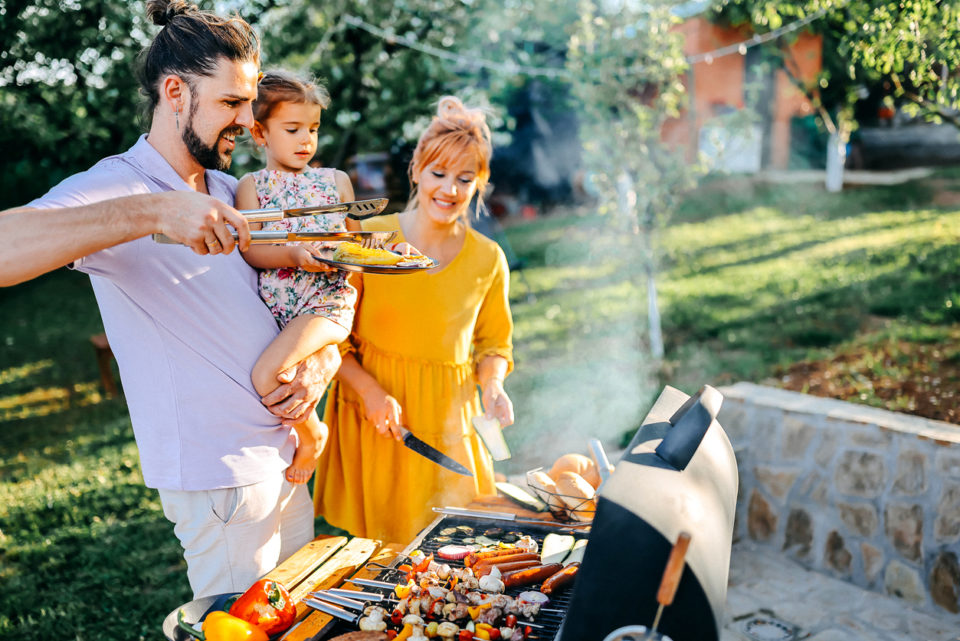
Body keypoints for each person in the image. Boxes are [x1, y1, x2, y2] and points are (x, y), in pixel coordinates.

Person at [0, 0, 341, 599]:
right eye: (232, 103)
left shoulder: (235, 187)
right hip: (221, 480)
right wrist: (155, 211)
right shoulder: (116, 184)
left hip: (287, 456)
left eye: (251, 101)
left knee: (303, 625)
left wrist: (318, 367)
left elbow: (300, 297)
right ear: (176, 92)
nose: (247, 119)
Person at [314, 96, 516, 543]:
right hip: (375, 418)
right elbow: (330, 338)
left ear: (479, 182)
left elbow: (494, 345)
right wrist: (370, 393)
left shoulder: (488, 259)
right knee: (379, 558)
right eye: (438, 174)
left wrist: (494, 385)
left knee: (453, 548)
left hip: (449, 424)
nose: (449, 189)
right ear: (417, 171)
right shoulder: (370, 236)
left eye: (465, 178)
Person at [235, 70, 359, 485]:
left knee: (265, 376)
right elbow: (251, 250)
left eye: (313, 128)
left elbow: (356, 248)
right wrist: (292, 254)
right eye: (293, 129)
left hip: (326, 303)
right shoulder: (251, 186)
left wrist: (335, 253)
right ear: (260, 132)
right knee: (283, 379)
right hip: (280, 309)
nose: (306, 139)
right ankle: (302, 429)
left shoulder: (335, 182)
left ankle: (311, 435)